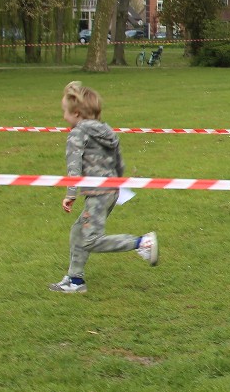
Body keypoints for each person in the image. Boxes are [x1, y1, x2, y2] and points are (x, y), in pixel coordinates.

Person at [50, 81, 157, 293]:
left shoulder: (77, 134)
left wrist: (71, 194)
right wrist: (118, 184)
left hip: (98, 193)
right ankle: (75, 280)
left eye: (65, 112)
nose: (63, 117)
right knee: (78, 231)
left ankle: (141, 243)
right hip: (112, 190)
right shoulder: (107, 131)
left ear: (77, 113)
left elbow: (74, 167)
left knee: (90, 240)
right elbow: (120, 163)